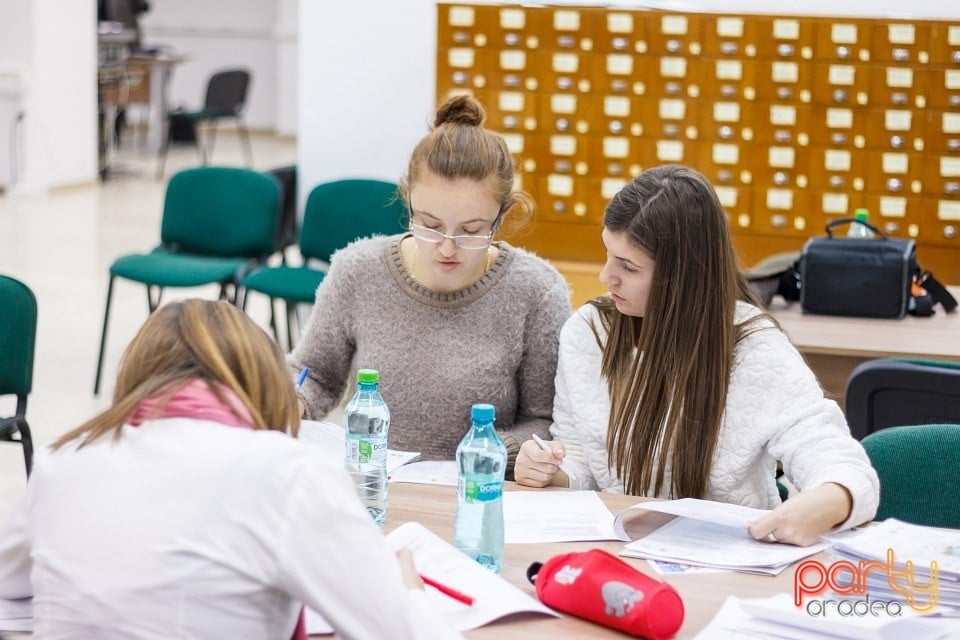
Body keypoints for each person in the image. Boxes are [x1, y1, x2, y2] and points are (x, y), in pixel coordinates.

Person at [0, 299, 460, 640]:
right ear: (261, 381)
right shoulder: (285, 473)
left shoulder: (65, 460)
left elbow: (7, 581)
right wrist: (408, 591)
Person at [514, 165, 879, 547]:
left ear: (681, 277)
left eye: (629, 267)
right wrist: (550, 470)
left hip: (730, 566)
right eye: (608, 254)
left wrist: (830, 498)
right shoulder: (589, 332)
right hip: (620, 552)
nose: (607, 276)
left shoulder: (752, 348)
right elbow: (581, 461)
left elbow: (838, 460)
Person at [290, 95, 571, 478]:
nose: (447, 247)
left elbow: (544, 420)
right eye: (430, 224)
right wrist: (292, 401)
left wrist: (500, 453)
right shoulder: (357, 270)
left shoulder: (537, 292)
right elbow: (316, 375)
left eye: (471, 231)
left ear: (501, 216)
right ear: (408, 201)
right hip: (374, 488)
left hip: (477, 494)